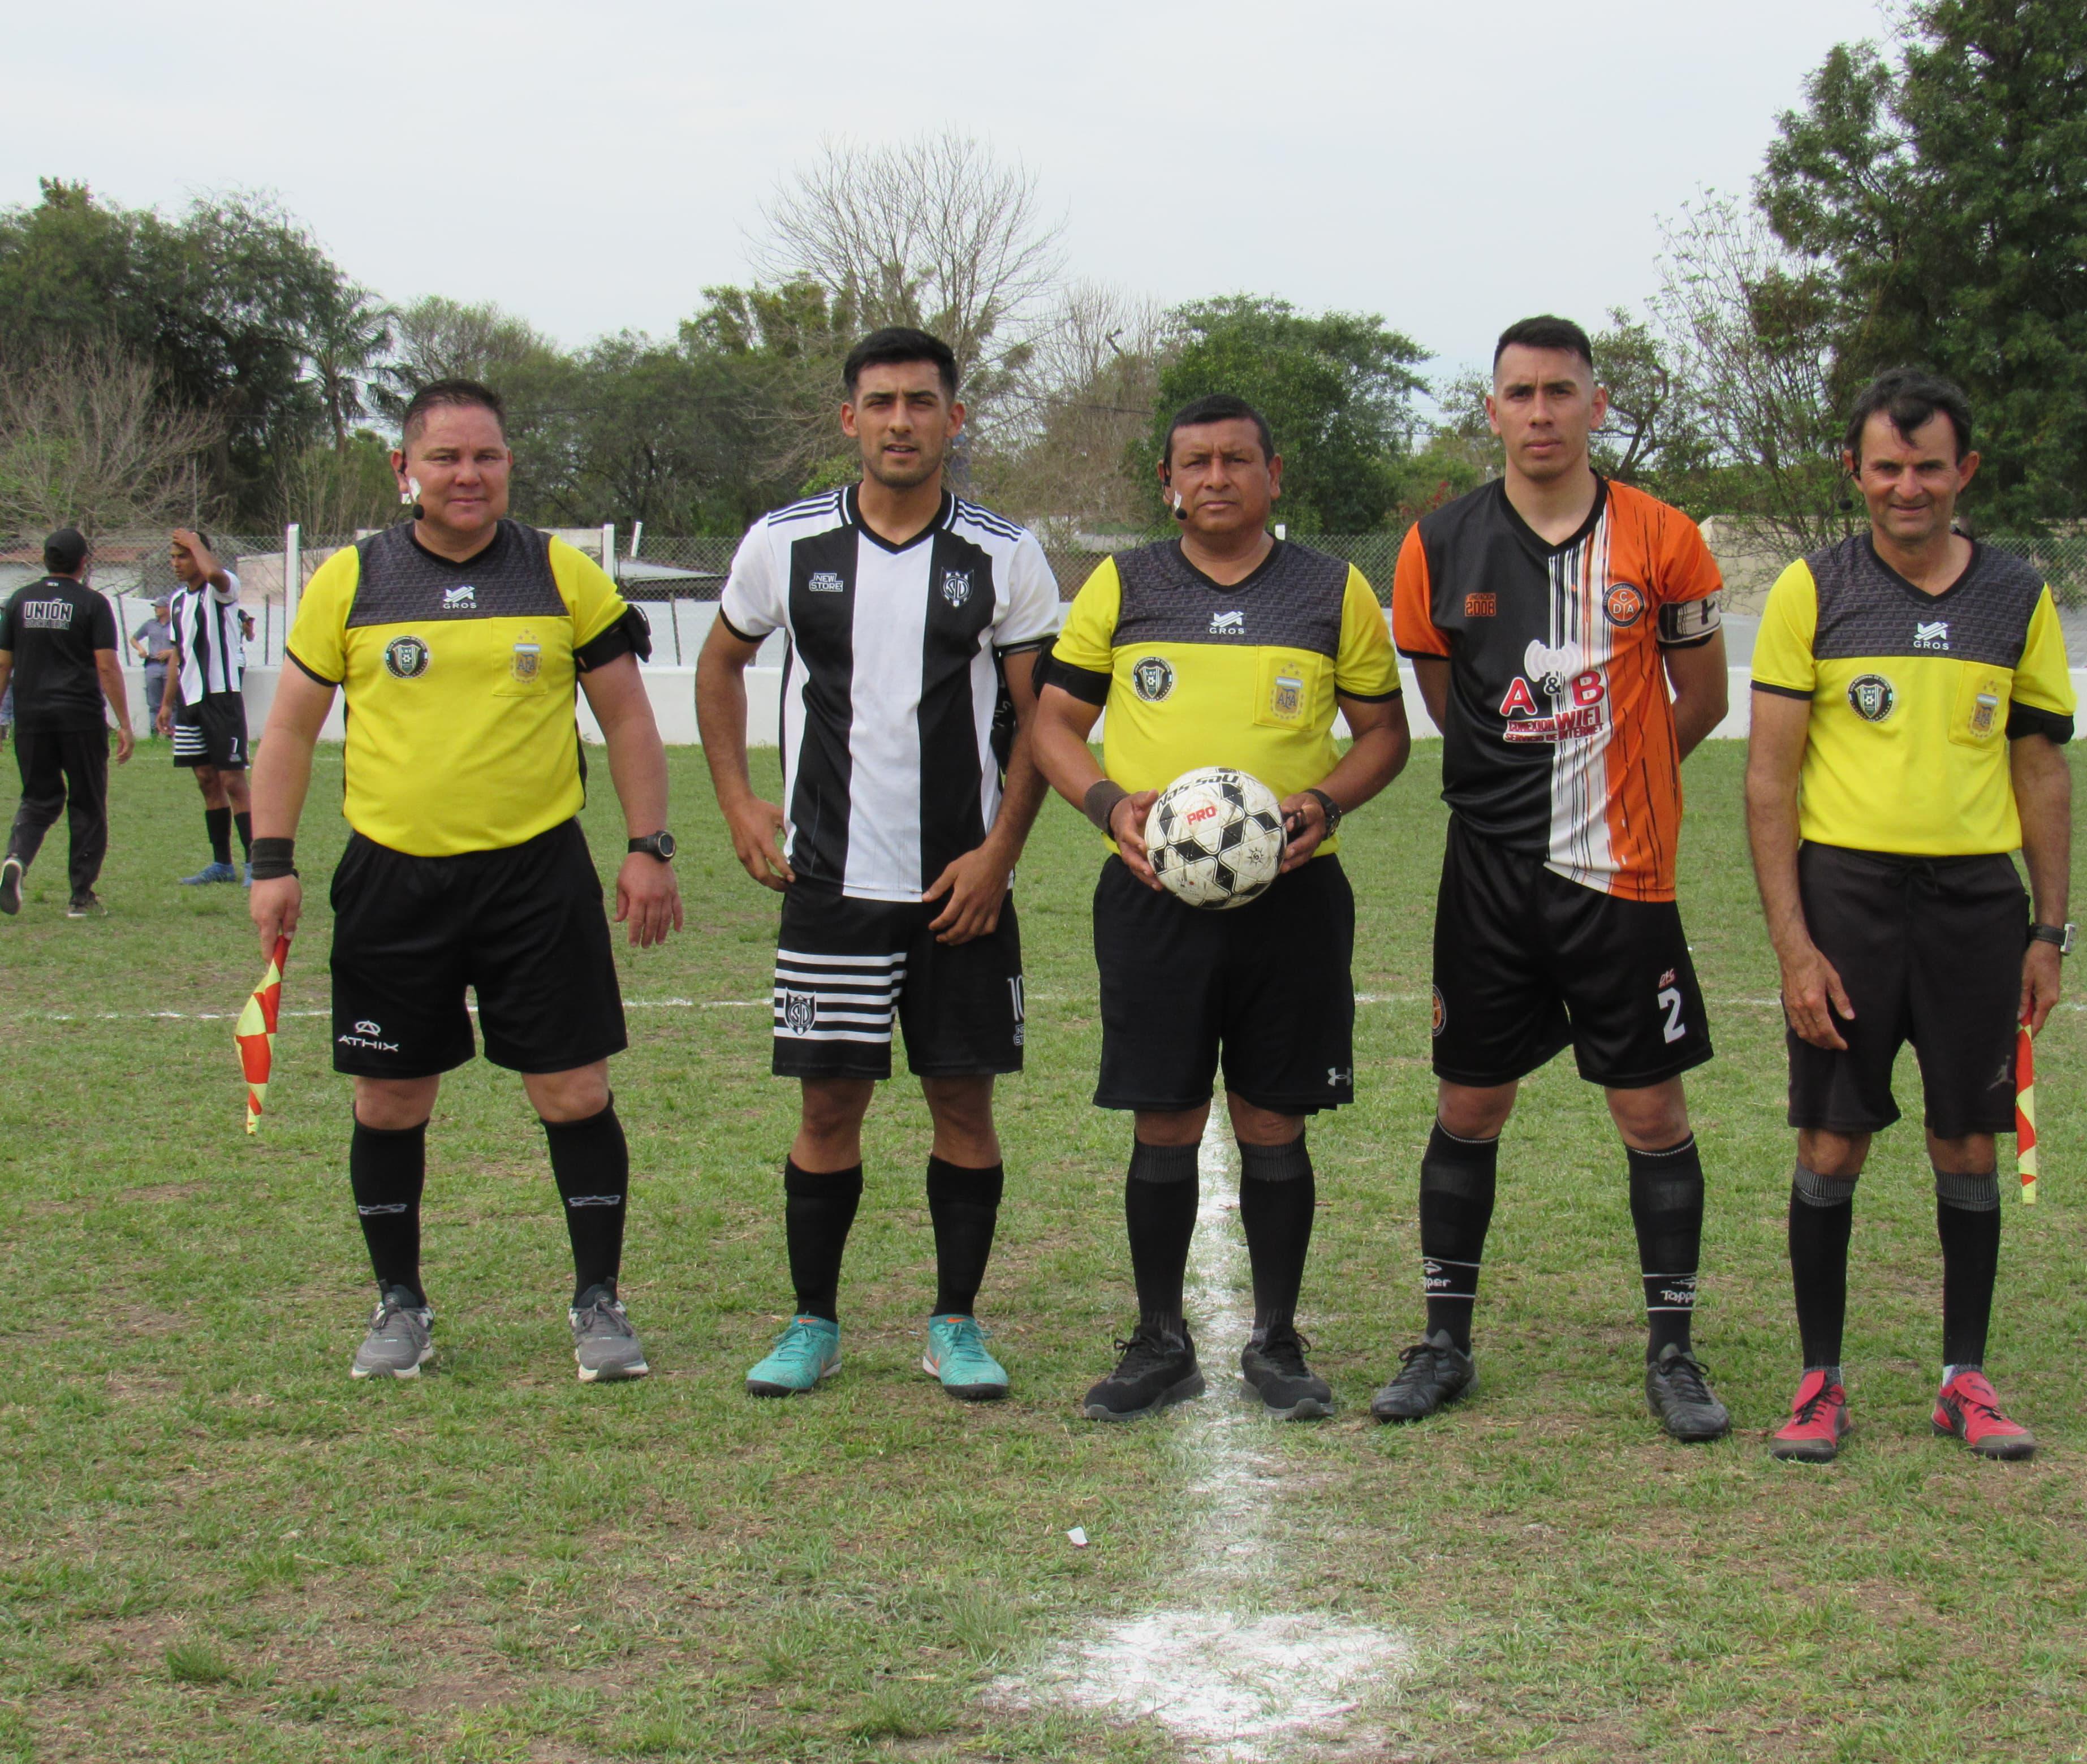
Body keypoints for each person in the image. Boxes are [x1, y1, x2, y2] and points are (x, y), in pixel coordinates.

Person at [249, 378, 684, 1384]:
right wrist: (272, 861)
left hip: (537, 874)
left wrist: (648, 845)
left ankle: (598, 1302)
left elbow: (626, 717)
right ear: (405, 470)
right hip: (393, 877)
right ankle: (399, 1302)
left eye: (485, 455)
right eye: (444, 457)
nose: (467, 474)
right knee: (390, 1103)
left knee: (574, 1090)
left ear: (508, 466)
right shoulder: (351, 580)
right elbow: (288, 731)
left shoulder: (562, 572)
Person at [1374, 316, 1734, 1439]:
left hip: (1621, 878)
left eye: (1560, 391)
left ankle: (1672, 1350)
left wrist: (1623, 780)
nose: (1540, 411)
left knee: (1650, 1107)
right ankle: (1444, 1339)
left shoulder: (1665, 537)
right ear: (1491, 410)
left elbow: (1704, 696)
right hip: (1487, 877)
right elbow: (1445, 699)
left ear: (1597, 402)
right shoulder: (1436, 543)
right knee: (1468, 1103)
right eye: (1519, 392)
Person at [697, 328, 1062, 1405]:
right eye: (880, 401)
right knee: (826, 1110)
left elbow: (1041, 716)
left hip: (962, 885)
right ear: (848, 419)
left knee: (964, 1104)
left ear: (956, 418)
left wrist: (1000, 852)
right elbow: (722, 662)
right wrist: (736, 800)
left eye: (921, 401)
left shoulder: (1006, 554)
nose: (901, 419)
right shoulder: (786, 541)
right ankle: (814, 1321)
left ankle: (955, 1322)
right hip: (832, 887)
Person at [1032, 393, 1411, 1421]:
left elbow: (1386, 735)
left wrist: (1325, 801)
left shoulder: (1334, 590)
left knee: (1274, 1117)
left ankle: (1277, 1340)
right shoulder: (1123, 582)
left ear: (1273, 474)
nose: (1215, 477)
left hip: (1292, 896)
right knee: (1164, 1115)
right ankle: (1161, 1340)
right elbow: (1055, 722)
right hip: (1153, 897)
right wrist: (1110, 806)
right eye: (1194, 462)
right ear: (1168, 481)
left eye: (1237, 459)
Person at [1745, 368, 2075, 1464]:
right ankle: (1818, 1383)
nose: (1906, 486)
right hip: (1846, 897)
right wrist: (1794, 945)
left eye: (1927, 466)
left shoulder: (2017, 594)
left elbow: (2040, 770)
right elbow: (1767, 781)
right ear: (1854, 470)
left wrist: (2048, 929)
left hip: (1979, 903)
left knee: (1967, 1136)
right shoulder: (1810, 589)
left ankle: (1962, 1378)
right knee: (1832, 1137)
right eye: (1885, 465)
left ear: (1962, 471)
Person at [0, 529, 136, 919]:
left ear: (45, 559)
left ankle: (16, 861)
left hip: (32, 718)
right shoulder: (92, 604)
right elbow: (106, 664)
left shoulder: (18, 601)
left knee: (38, 798)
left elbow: (3, 664)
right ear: (83, 562)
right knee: (87, 802)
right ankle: (81, 897)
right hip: (80, 718)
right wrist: (124, 722)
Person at [158, 529, 252, 884]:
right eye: (173, 557)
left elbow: (215, 574)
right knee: (206, 779)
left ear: (199, 556)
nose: (175, 564)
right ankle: (222, 864)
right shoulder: (179, 600)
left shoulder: (222, 590)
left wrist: (196, 543)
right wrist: (167, 704)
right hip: (190, 701)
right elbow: (178, 655)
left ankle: (254, 863)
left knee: (233, 780)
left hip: (222, 697)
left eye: (182, 556)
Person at [131, 597, 175, 737]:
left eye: (159, 606)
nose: (156, 609)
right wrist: (141, 650)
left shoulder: (175, 625)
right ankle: (154, 731)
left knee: (172, 701)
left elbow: (185, 644)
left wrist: (171, 652)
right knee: (154, 702)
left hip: (170, 665)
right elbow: (134, 638)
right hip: (154, 665)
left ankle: (171, 731)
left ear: (167, 608)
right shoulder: (150, 625)